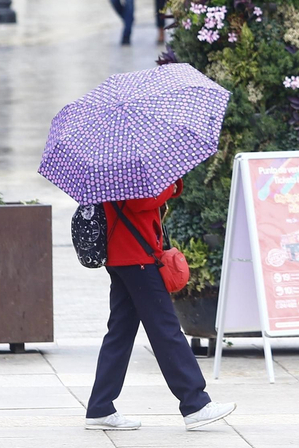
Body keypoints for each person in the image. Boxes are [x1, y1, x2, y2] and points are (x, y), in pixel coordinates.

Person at [85, 178, 236, 433]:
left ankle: (100, 407)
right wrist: (172, 185)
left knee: (120, 334)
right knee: (166, 330)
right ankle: (195, 404)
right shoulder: (126, 164)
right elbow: (140, 202)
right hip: (138, 258)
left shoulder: (110, 164)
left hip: (121, 255)